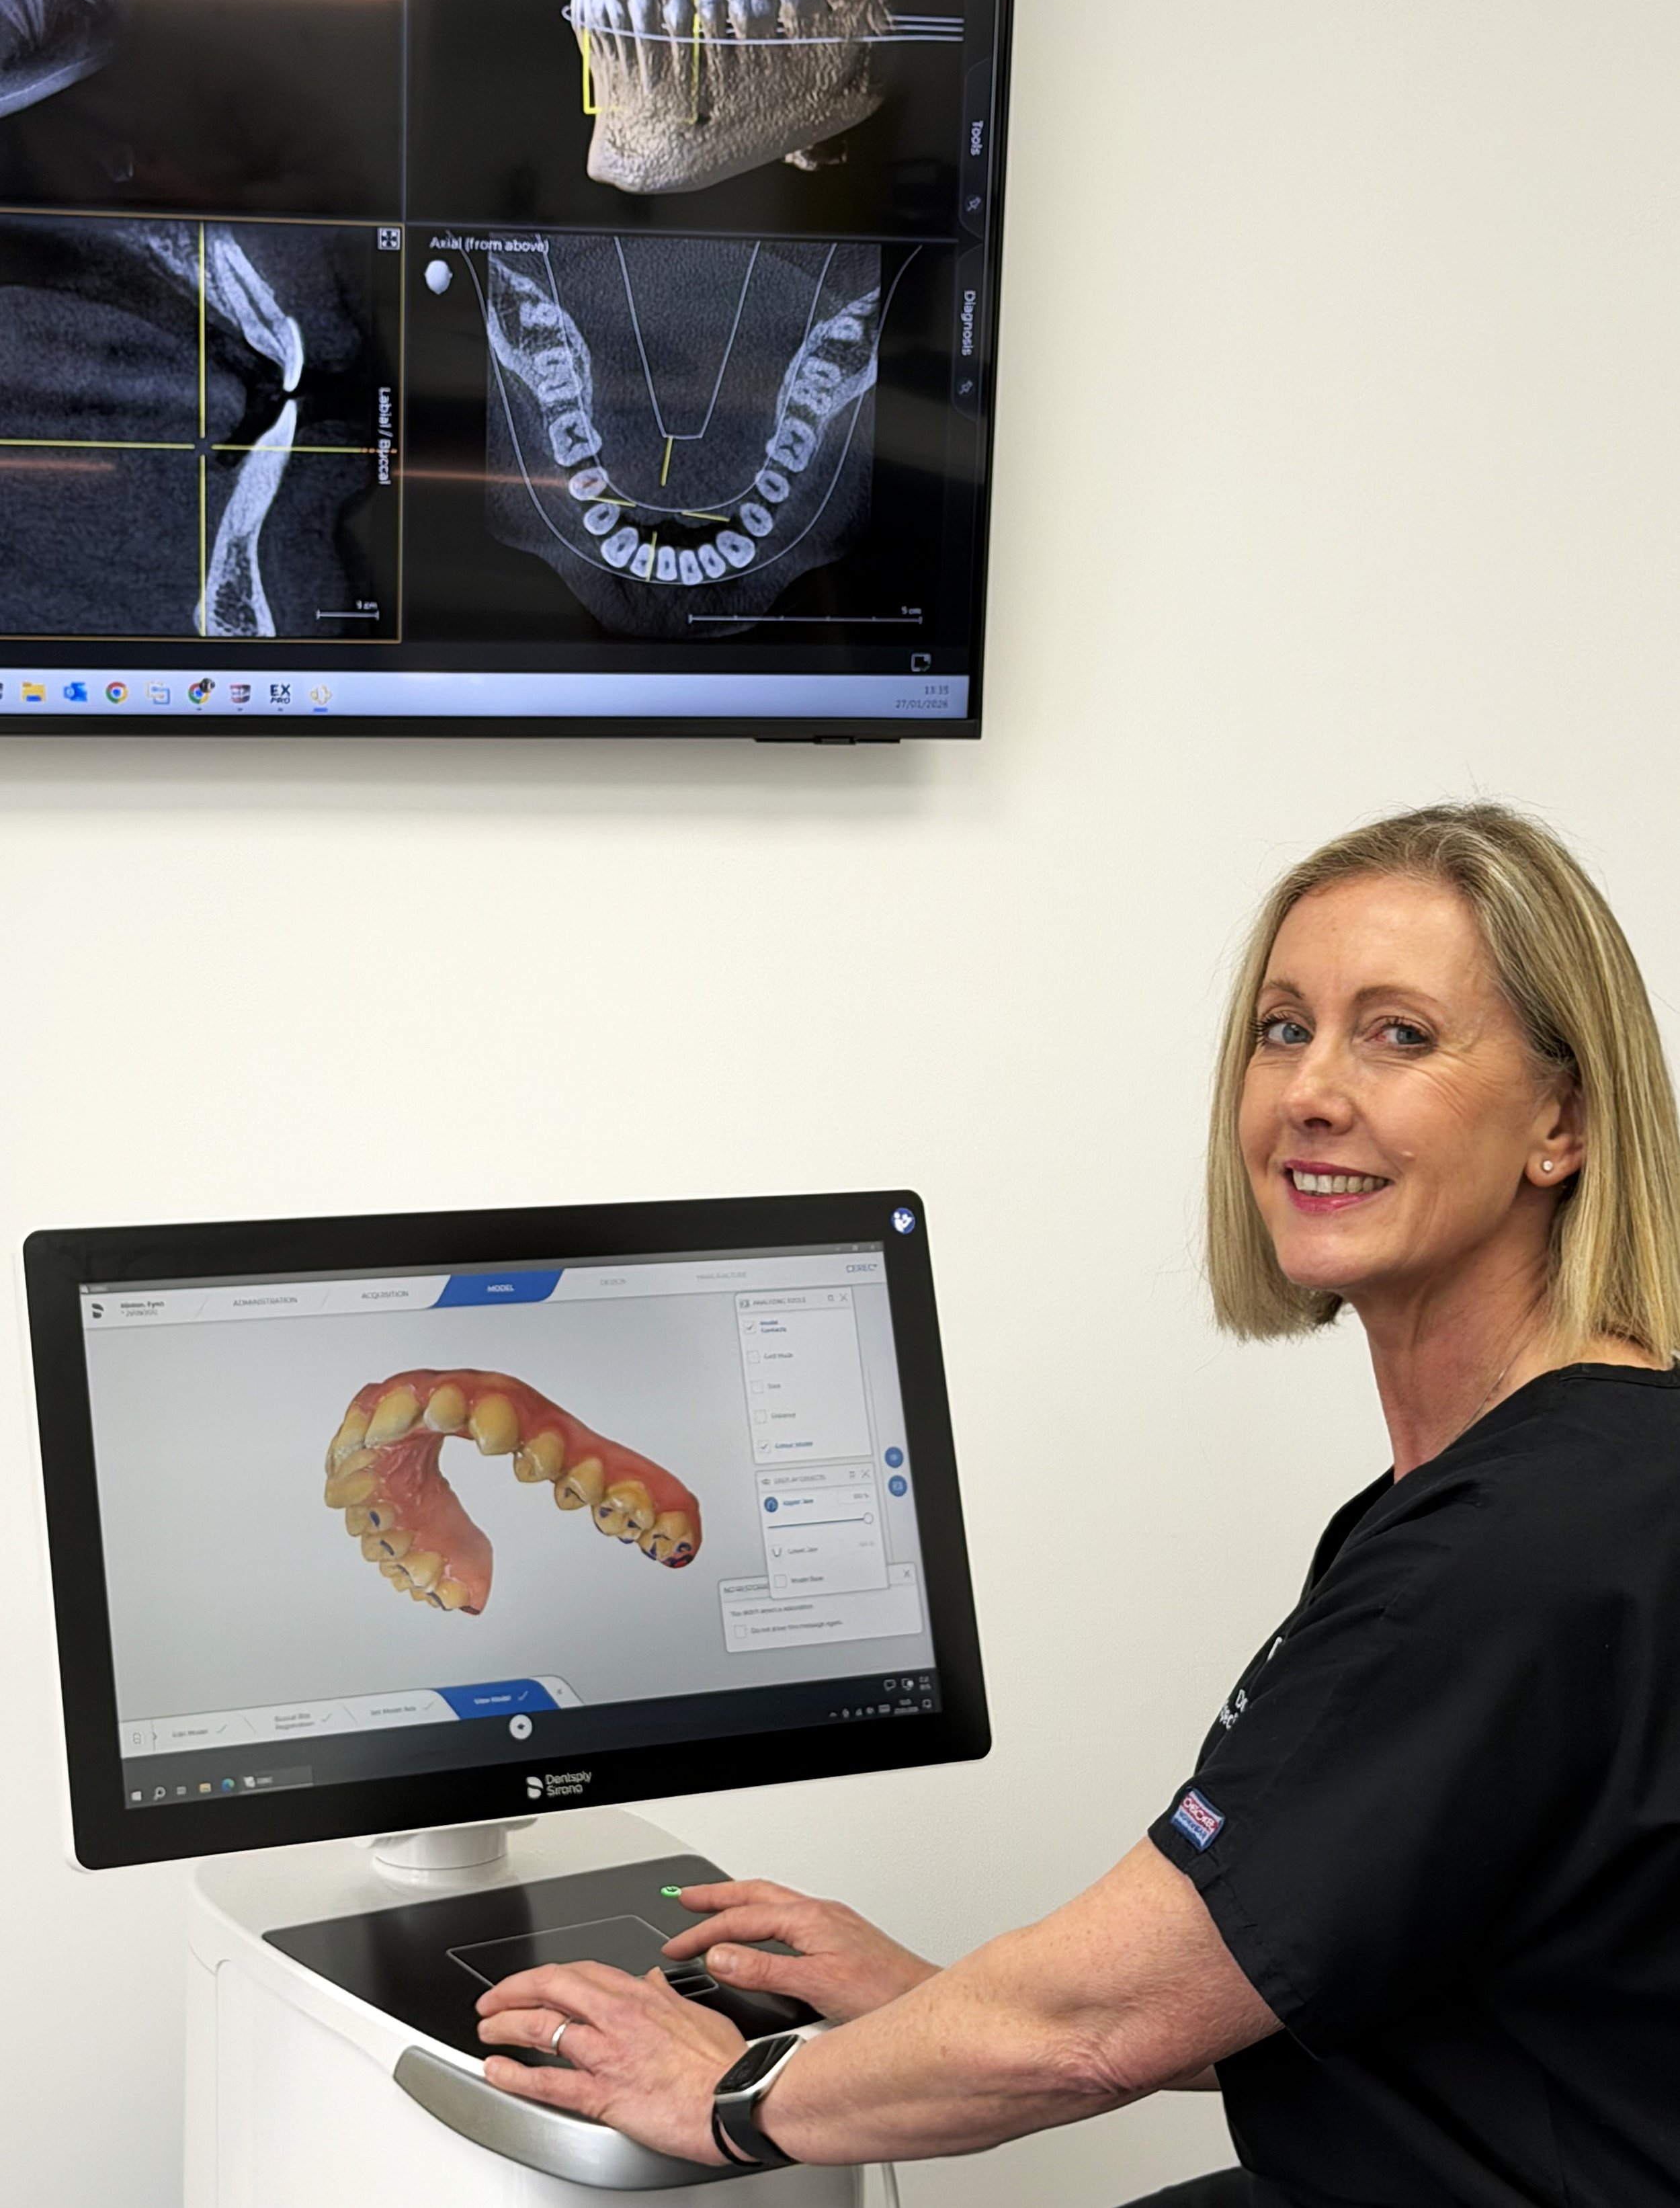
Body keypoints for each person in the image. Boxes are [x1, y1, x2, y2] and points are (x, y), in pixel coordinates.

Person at [474, 802, 1680, 2208]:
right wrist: (931, 2002)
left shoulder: (1509, 1546)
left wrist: (728, 2093)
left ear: (1562, 1120)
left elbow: (1092, 2028)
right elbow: (1338, 1956)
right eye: (1281, 1027)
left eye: (1397, 1033)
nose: (1309, 1089)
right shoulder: (1558, 1480)